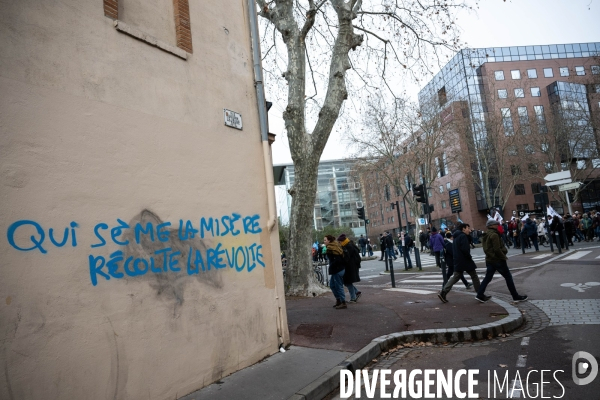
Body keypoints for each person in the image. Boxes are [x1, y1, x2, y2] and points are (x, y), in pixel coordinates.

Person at [476, 219, 528, 303]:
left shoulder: (486, 234)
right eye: (495, 224)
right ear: (491, 226)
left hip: (489, 259)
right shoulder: (494, 235)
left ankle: (480, 294)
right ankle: (515, 296)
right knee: (508, 277)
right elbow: (497, 249)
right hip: (498, 260)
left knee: (488, 278)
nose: (497, 225)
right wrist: (503, 256)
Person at [438, 223, 481, 303]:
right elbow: (465, 249)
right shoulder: (463, 236)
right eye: (468, 228)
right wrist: (469, 258)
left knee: (456, 276)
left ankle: (443, 292)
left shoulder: (456, 237)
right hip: (465, 260)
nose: (469, 230)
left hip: (458, 260)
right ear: (463, 229)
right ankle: (480, 294)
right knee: (474, 275)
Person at [337, 234, 362, 303]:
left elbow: (346, 258)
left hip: (350, 267)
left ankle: (353, 297)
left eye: (339, 242)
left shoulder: (348, 247)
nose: (339, 243)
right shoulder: (349, 245)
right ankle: (356, 292)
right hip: (351, 267)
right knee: (347, 282)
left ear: (342, 241)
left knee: (348, 282)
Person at [324, 235, 347, 309]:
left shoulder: (331, 248)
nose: (324, 242)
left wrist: (332, 265)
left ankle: (343, 302)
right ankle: (339, 300)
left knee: (338, 286)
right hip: (337, 269)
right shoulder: (335, 246)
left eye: (325, 240)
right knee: (332, 286)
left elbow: (337, 259)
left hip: (337, 270)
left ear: (329, 241)